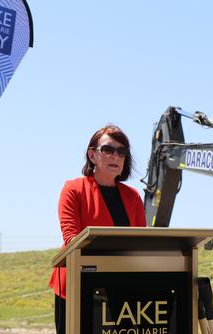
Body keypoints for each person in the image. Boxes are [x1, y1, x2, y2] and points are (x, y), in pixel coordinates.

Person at [49, 125, 146, 334]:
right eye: (108, 149)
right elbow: (71, 239)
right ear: (92, 155)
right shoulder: (73, 189)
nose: (116, 156)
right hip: (79, 287)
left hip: (122, 290)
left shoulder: (133, 197)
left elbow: (141, 244)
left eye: (122, 152)